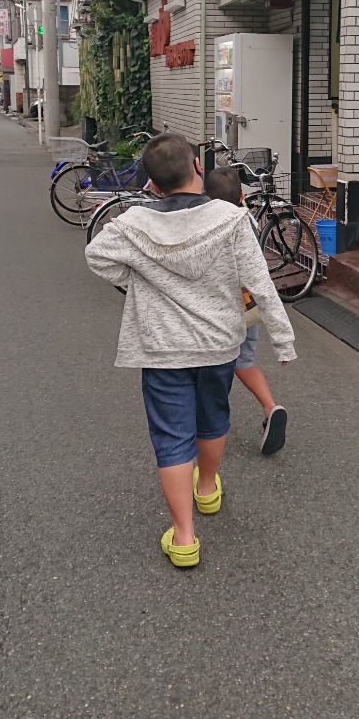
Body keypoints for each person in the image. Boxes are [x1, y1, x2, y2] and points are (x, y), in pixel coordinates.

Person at [84, 131, 296, 570]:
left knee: (171, 434)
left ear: (153, 185)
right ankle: (208, 487)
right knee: (213, 417)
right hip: (219, 344)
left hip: (162, 347)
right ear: (198, 169)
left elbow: (97, 256)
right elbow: (260, 282)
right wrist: (283, 340)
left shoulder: (133, 223)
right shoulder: (232, 218)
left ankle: (183, 538)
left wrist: (138, 280)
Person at [203, 165, 288, 457]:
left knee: (216, 366)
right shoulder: (248, 221)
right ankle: (270, 406)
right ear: (242, 195)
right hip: (251, 308)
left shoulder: (209, 226)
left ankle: (207, 422)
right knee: (244, 362)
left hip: (223, 310)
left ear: (207, 198)